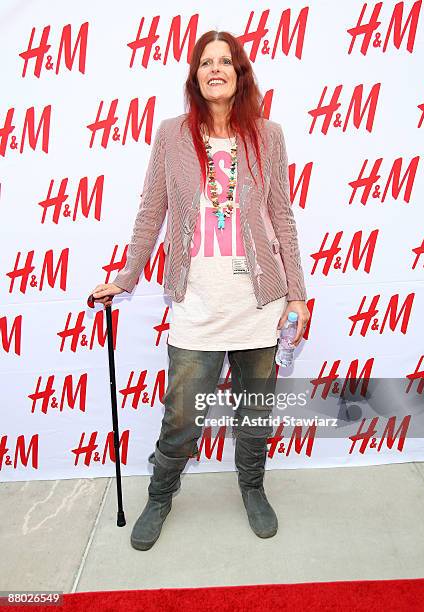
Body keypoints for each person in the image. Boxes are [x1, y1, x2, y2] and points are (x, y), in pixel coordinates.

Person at [90, 30, 310, 550]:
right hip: (196, 302)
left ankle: (253, 489)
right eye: (206, 62)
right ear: (195, 75)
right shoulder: (171, 134)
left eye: (226, 62)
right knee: (182, 417)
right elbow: (152, 212)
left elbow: (281, 214)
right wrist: (126, 276)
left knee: (255, 412)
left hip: (260, 303)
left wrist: (296, 293)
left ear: (239, 75)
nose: (216, 69)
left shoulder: (269, 135)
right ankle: (161, 496)